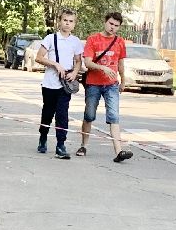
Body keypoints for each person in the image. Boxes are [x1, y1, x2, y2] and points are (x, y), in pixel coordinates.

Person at [78, 12, 133, 163]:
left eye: (116, 25)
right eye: (110, 23)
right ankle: (83, 146)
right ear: (105, 22)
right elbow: (87, 62)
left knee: (114, 117)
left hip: (112, 85)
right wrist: (103, 68)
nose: (112, 27)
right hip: (93, 84)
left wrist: (123, 80)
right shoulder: (93, 39)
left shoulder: (119, 41)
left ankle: (119, 151)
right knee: (89, 115)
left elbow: (120, 63)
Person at [36, 10, 84, 159]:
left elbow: (78, 61)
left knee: (62, 114)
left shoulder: (75, 41)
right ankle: (43, 137)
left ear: (74, 24)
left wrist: (74, 73)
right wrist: (55, 64)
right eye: (65, 20)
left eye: (71, 21)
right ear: (60, 21)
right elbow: (39, 57)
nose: (67, 23)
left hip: (65, 85)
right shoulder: (50, 38)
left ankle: (60, 145)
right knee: (48, 113)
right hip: (50, 83)